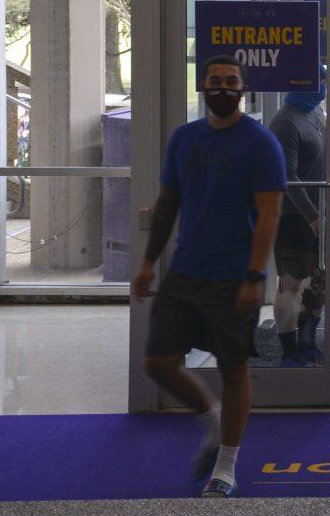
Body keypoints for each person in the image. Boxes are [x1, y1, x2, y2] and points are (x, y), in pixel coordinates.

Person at [133, 55, 286, 498]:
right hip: (185, 271)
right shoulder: (185, 138)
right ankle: (210, 417)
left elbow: (270, 214)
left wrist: (255, 276)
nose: (222, 88)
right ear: (202, 86)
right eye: (214, 81)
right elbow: (167, 205)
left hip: (235, 275)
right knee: (158, 363)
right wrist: (148, 261)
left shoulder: (260, 143)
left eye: (230, 82)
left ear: (243, 89)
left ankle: (226, 465)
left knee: (233, 369)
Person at [267, 71, 327, 367]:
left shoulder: (315, 112)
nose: (322, 86)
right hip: (294, 217)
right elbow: (287, 178)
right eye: (317, 80)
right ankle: (289, 350)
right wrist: (312, 217)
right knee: (290, 284)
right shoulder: (285, 121)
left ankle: (307, 341)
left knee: (319, 281)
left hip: (320, 212)